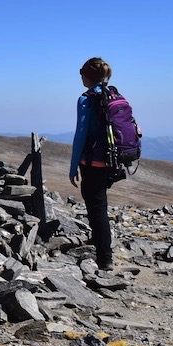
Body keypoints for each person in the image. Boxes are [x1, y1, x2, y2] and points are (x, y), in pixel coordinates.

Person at [69, 57, 116, 271]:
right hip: (112, 160)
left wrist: (73, 167)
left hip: (93, 162)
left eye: (81, 72)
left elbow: (80, 134)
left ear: (87, 75)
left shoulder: (86, 99)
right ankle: (101, 249)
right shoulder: (113, 94)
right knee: (100, 206)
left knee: (97, 210)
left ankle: (104, 259)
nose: (80, 76)